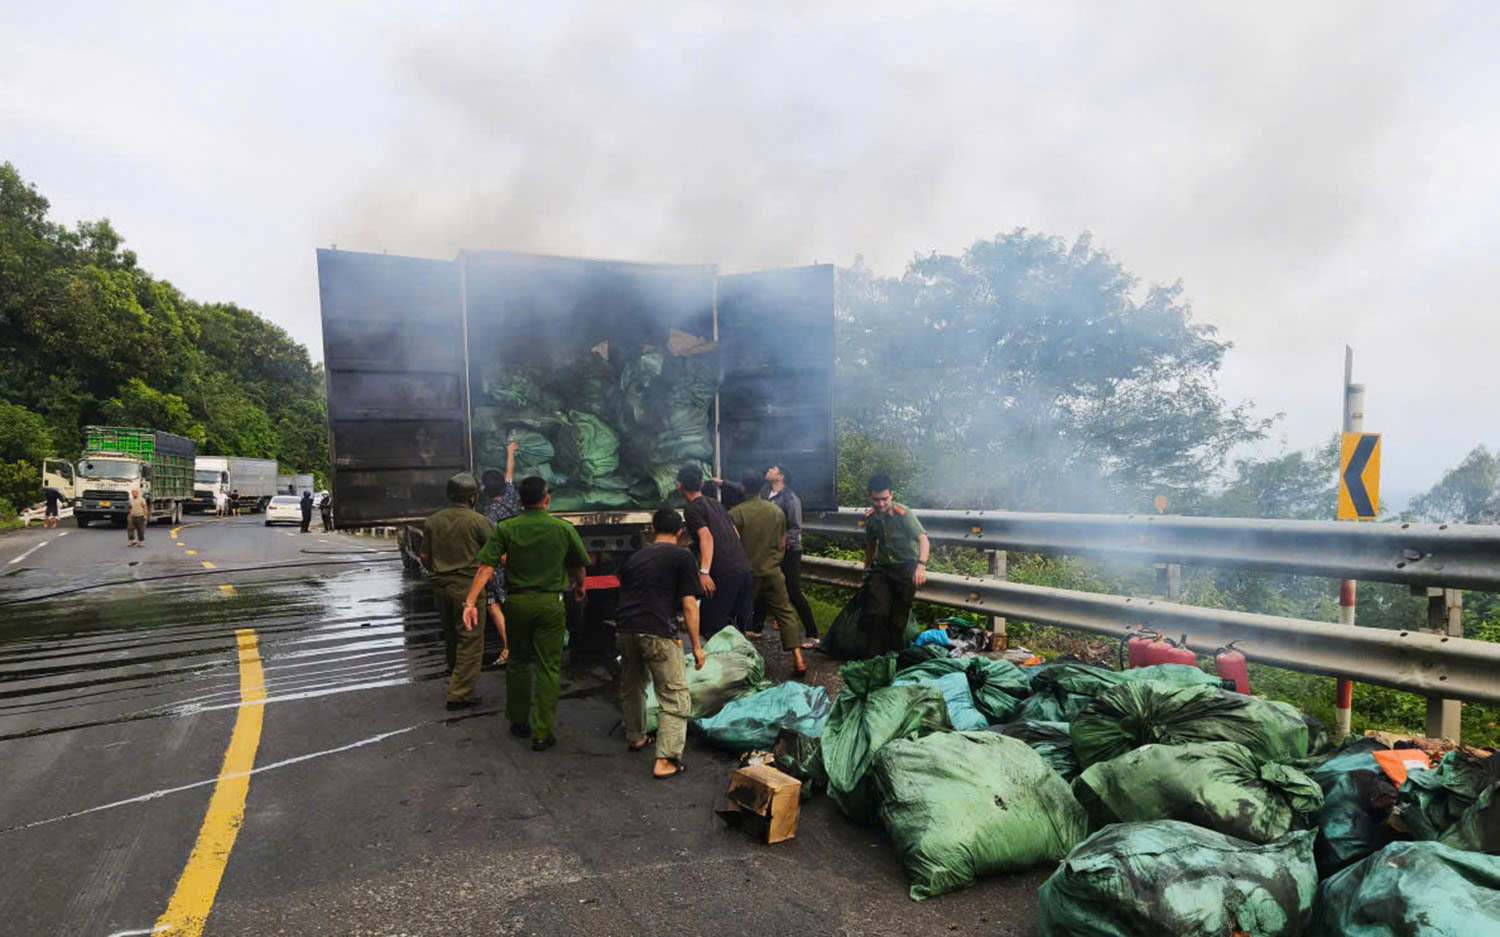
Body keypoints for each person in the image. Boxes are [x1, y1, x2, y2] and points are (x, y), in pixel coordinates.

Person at [464, 476, 589, 752]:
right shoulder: (563, 529)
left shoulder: (508, 529)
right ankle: (543, 733)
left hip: (517, 604)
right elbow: (579, 566)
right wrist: (580, 588)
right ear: (547, 500)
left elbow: (486, 566)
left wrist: (470, 601)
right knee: (548, 666)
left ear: (520, 501)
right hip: (549, 605)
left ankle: (519, 721)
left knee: (519, 662)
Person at [615, 507, 705, 779]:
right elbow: (689, 605)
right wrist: (697, 647)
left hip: (625, 629)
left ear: (652, 528)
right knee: (674, 694)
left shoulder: (636, 557)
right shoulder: (683, 555)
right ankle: (666, 759)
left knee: (633, 685)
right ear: (680, 531)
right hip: (656, 631)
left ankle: (636, 736)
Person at [419, 473, 497, 710]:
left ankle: (455, 673)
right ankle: (459, 694)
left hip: (441, 587)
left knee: (452, 634)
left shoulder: (433, 521)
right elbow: (496, 554)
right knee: (470, 641)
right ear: (473, 497)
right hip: (468, 590)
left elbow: (424, 557)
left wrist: (439, 570)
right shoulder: (479, 521)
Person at [729, 474, 807, 675]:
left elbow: (731, 546)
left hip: (749, 573)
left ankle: (739, 663)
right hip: (773, 570)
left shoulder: (736, 513)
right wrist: (776, 560)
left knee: (740, 616)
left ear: (744, 489)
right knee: (785, 612)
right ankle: (798, 659)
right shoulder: (776, 511)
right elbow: (783, 542)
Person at [676, 465, 754, 639]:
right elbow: (735, 533)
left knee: (712, 628)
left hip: (724, 574)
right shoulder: (716, 504)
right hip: (743, 570)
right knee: (734, 628)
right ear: (702, 483)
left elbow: (706, 537)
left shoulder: (692, 509)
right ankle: (739, 662)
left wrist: (704, 572)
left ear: (678, 486)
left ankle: (726, 663)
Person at [862, 472, 930, 656]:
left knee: (898, 621)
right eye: (876, 499)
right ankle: (874, 658)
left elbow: (923, 539)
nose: (881, 504)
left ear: (891, 495)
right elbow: (870, 544)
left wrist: (921, 566)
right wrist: (867, 568)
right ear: (870, 497)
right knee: (876, 613)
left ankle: (895, 657)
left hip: (906, 568)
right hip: (882, 569)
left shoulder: (904, 514)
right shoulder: (871, 517)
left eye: (884, 499)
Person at [764, 465, 819, 648]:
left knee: (793, 590)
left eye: (772, 469)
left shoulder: (790, 498)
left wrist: (783, 542)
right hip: (772, 550)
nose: (768, 471)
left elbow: (795, 527)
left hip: (789, 551)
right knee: (768, 585)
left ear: (781, 476)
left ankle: (813, 634)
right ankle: (757, 627)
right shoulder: (766, 494)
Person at [478, 440, 521, 667]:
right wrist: (510, 451)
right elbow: (510, 473)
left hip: (500, 564)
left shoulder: (488, 514)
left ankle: (508, 647)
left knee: (494, 603)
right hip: (519, 559)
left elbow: (494, 545)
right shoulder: (512, 495)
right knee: (515, 601)